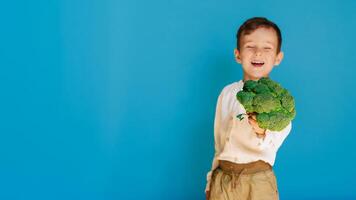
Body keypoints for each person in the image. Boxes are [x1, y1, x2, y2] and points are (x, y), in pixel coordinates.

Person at [205, 17, 293, 200]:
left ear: (278, 58)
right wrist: (211, 180)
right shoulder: (227, 93)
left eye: (267, 48)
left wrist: (262, 132)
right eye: (250, 47)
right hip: (223, 180)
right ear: (238, 55)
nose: (258, 53)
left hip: (258, 182)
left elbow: (279, 135)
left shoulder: (279, 101)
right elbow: (219, 140)